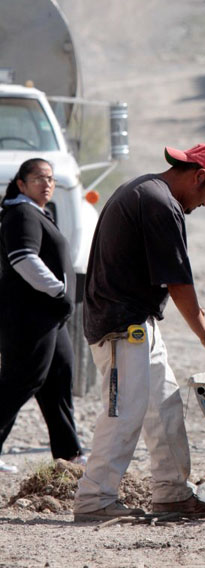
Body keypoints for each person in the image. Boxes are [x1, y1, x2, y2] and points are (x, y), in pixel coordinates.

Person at [74, 143, 205, 523]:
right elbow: (178, 280)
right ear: (198, 176)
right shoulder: (159, 203)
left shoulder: (148, 190)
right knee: (124, 412)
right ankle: (94, 499)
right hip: (121, 324)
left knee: (163, 408)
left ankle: (172, 494)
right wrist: (204, 332)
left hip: (137, 321)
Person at [0, 158, 85, 474]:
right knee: (21, 381)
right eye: (38, 178)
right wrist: (58, 290)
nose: (47, 184)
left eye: (50, 178)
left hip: (49, 317)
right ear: (21, 184)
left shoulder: (34, 212)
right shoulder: (21, 213)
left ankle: (69, 455)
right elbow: (24, 260)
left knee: (58, 379)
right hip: (29, 316)